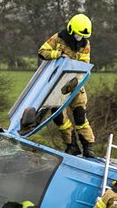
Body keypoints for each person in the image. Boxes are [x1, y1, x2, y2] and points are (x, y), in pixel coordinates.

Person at [39, 13, 96, 158]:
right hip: (57, 85)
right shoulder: (58, 38)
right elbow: (42, 52)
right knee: (59, 117)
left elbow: (84, 63)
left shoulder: (85, 44)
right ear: (71, 29)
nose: (79, 38)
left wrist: (75, 76)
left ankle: (88, 146)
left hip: (75, 84)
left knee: (80, 116)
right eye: (77, 35)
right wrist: (58, 54)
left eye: (82, 36)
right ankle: (72, 145)